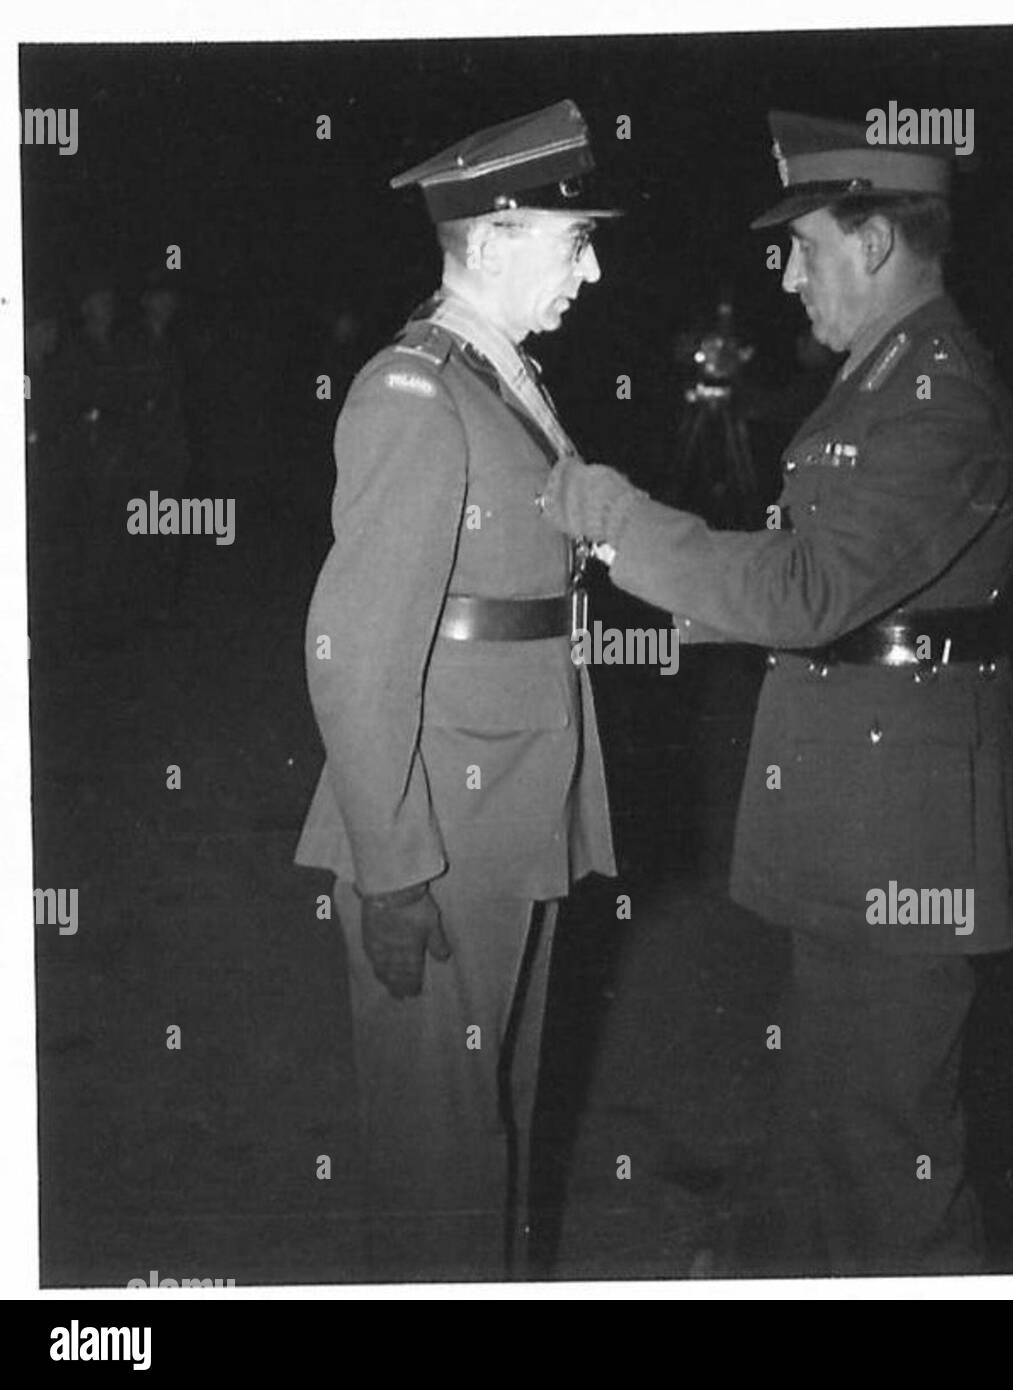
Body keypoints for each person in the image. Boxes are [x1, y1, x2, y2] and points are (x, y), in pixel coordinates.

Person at [541, 111, 1013, 1274]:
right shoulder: (882, 379)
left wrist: (618, 521)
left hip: (905, 841)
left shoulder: (935, 395)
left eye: (802, 244)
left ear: (871, 245)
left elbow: (812, 589)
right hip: (864, 812)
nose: (786, 273)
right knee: (832, 1130)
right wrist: (691, 606)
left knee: (888, 1152)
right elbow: (829, 588)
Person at [294, 99, 617, 1281]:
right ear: (491, 237)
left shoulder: (498, 378)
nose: (592, 265)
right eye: (572, 237)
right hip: (437, 830)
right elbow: (354, 649)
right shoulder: (414, 392)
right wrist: (391, 870)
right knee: (439, 1153)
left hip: (506, 813)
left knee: (496, 1123)